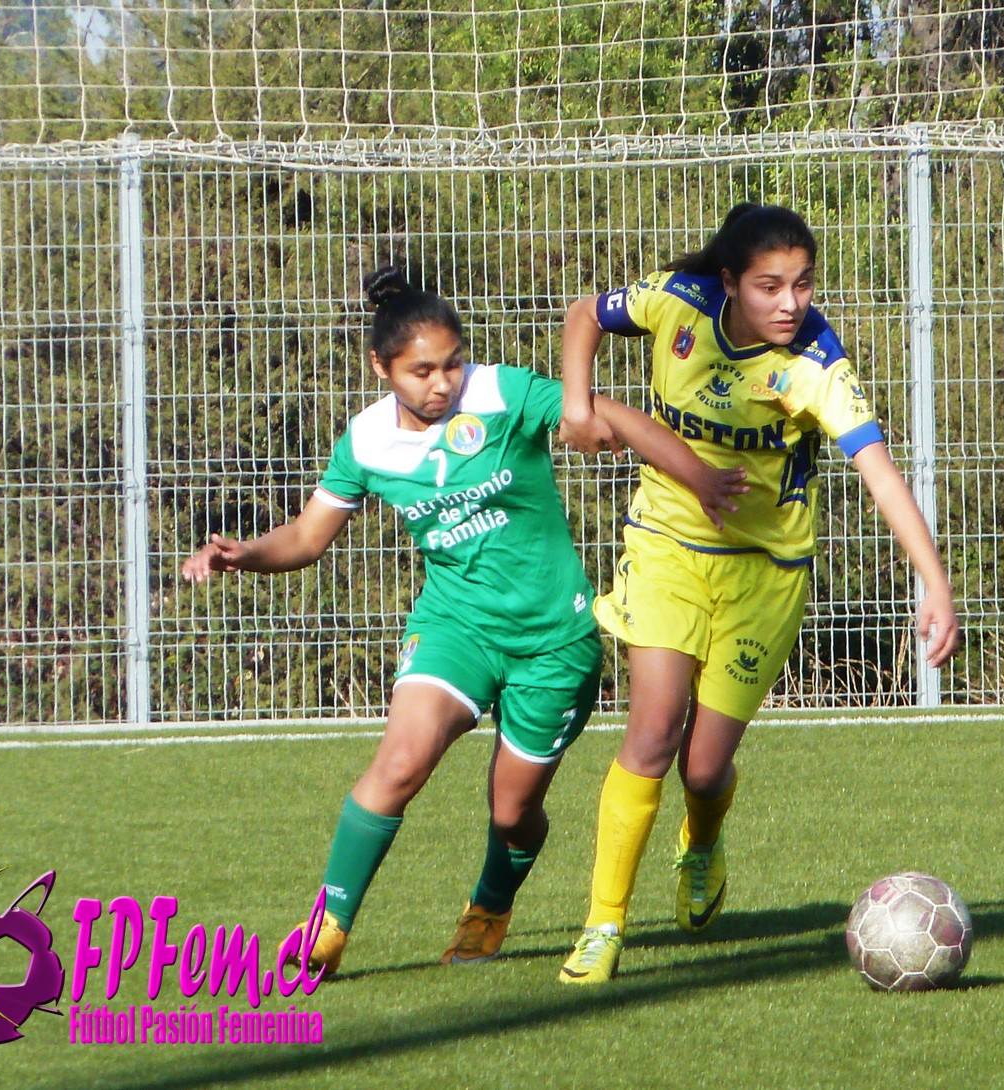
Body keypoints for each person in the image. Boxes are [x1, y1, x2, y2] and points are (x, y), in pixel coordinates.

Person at [181, 266, 746, 973]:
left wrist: (699, 477)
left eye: (451, 363)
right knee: (400, 763)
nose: (441, 383)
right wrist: (245, 554)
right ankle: (328, 924)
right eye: (420, 371)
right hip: (456, 628)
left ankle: (489, 907)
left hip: (553, 643)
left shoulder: (501, 393)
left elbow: (610, 416)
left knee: (512, 813)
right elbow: (306, 538)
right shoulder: (365, 442)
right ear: (380, 367)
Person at [554, 203, 960, 984]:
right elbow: (585, 315)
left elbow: (879, 474)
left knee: (704, 771)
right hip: (667, 548)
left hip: (764, 577)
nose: (789, 302)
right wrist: (578, 402)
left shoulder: (816, 363)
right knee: (652, 733)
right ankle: (603, 926)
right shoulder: (678, 300)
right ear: (730, 281)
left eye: (802, 284)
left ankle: (700, 839)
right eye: (769, 285)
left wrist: (934, 583)